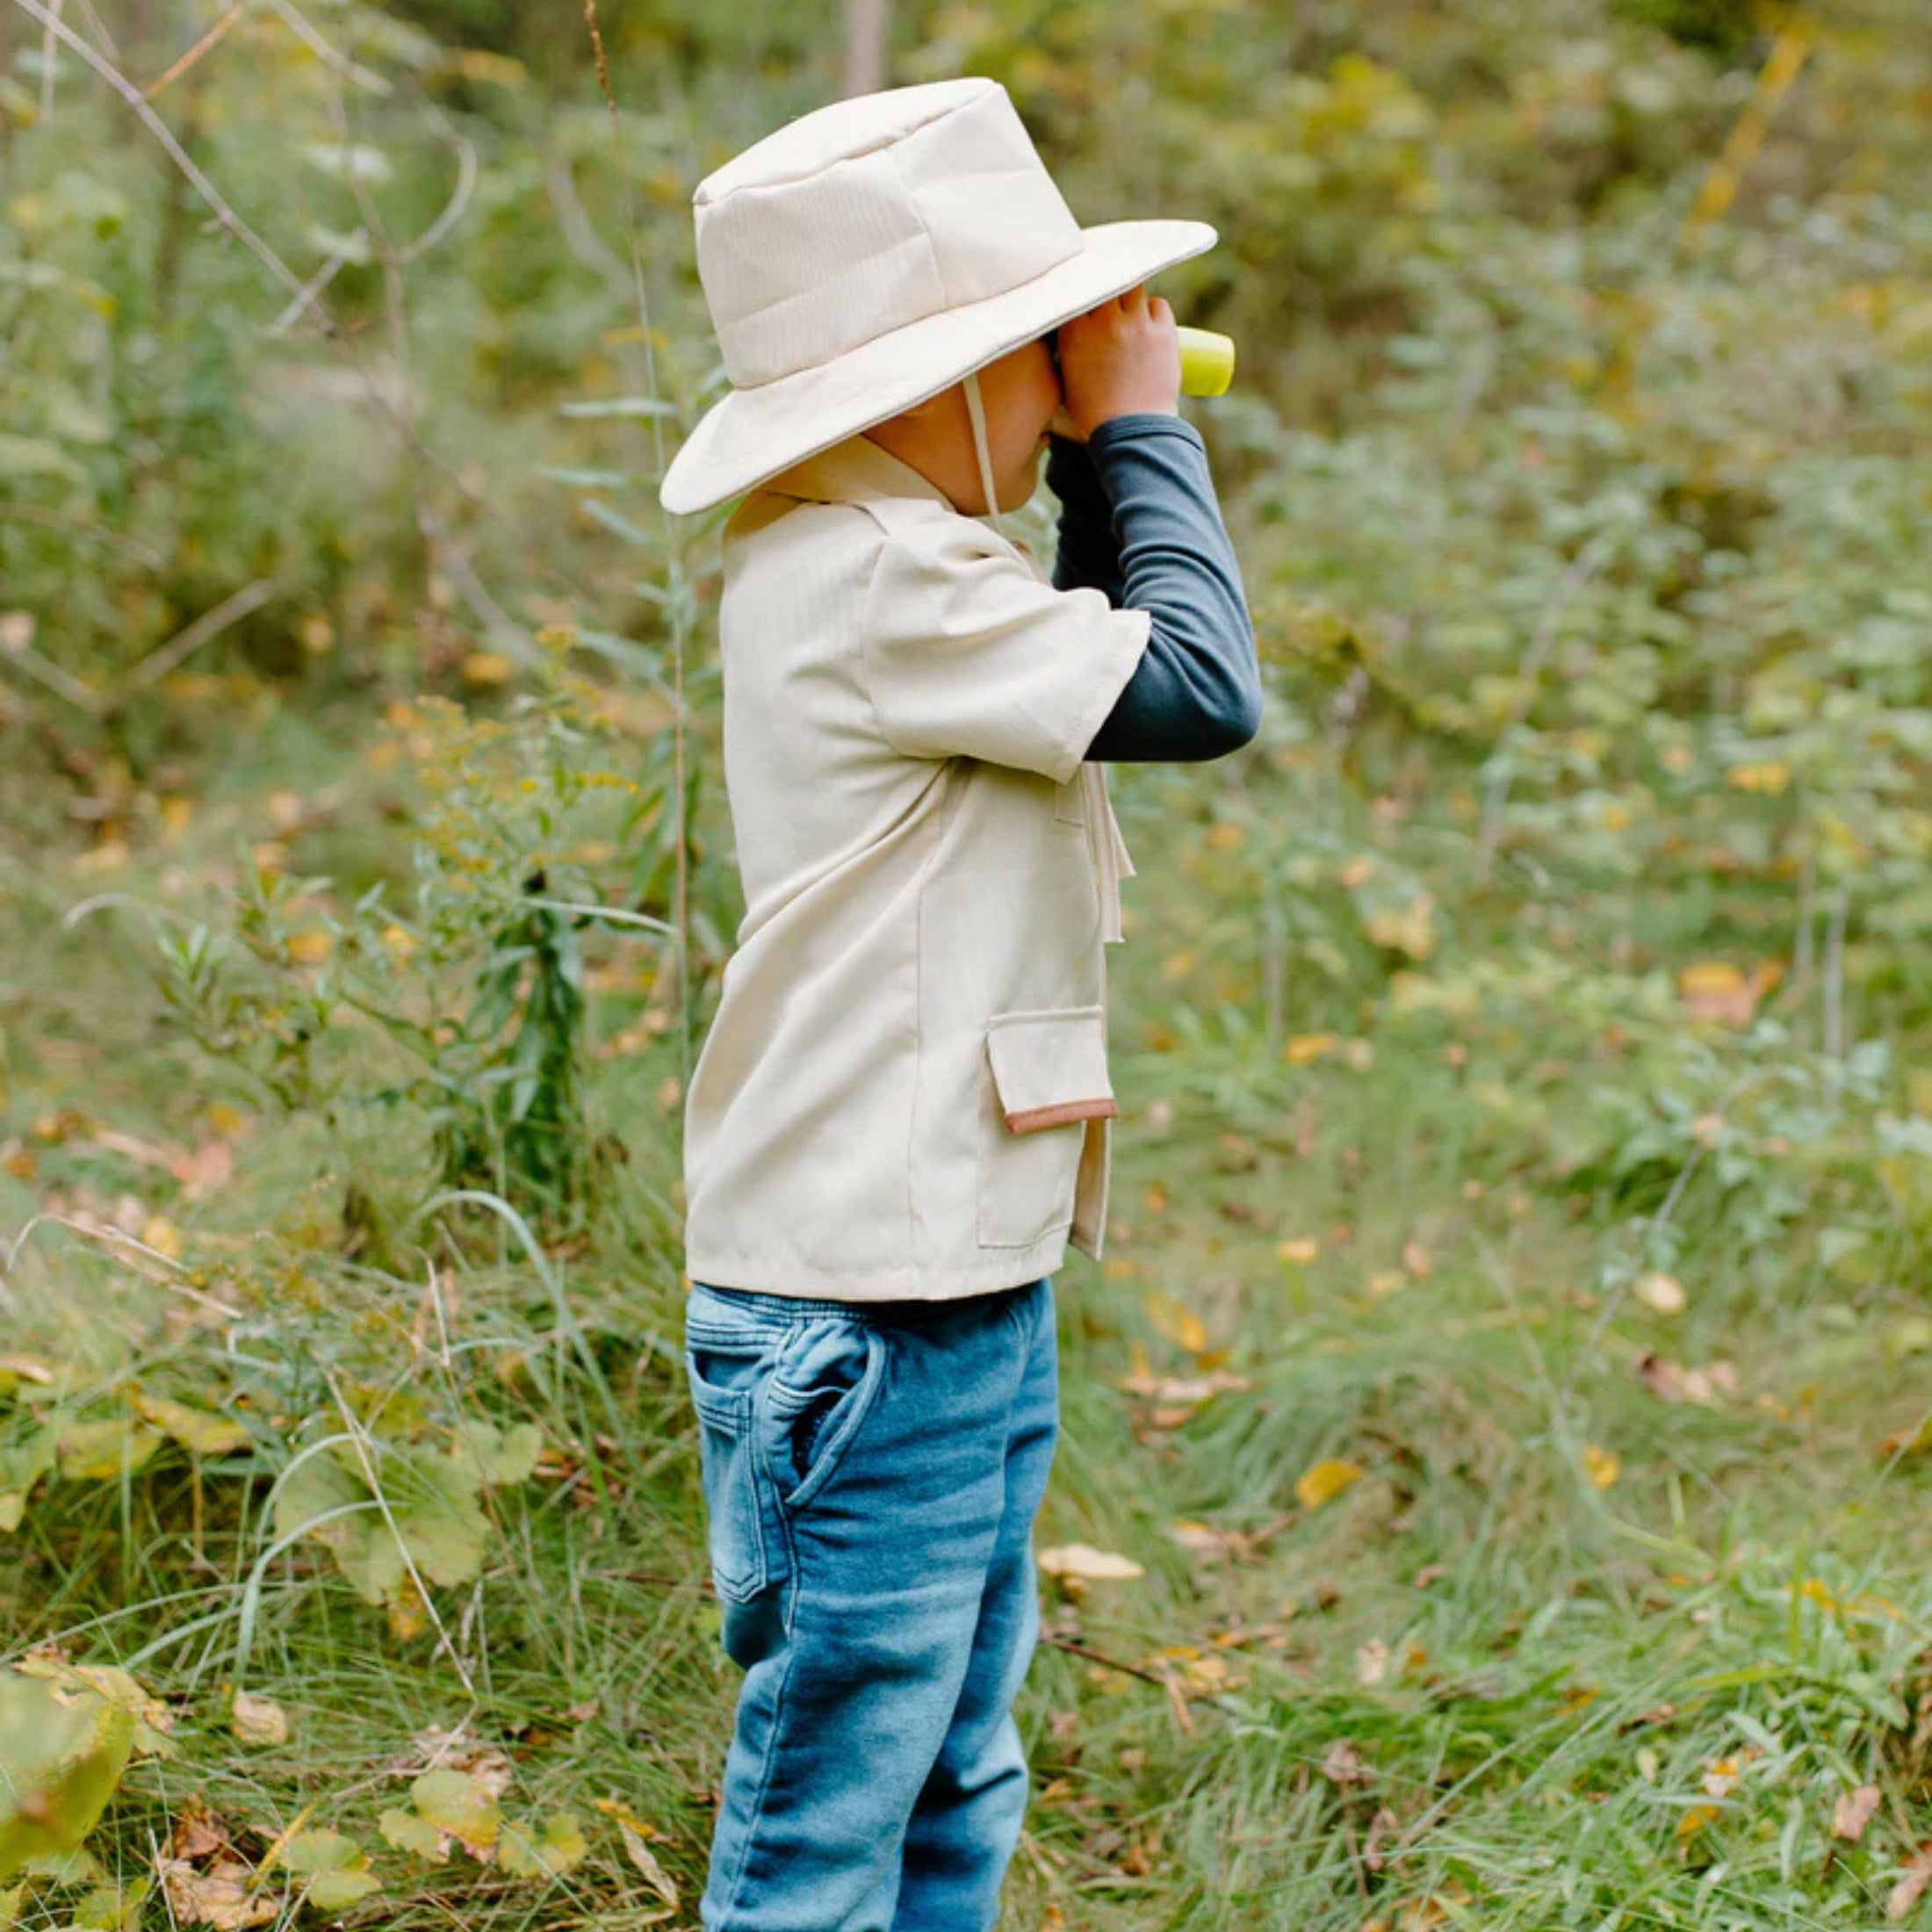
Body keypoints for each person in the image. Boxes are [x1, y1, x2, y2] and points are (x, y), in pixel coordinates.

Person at [657, 75, 1259, 1932]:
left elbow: (1109, 673)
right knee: (838, 1785)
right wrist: (1138, 437)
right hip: (859, 1302)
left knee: (948, 1759)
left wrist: (1078, 443)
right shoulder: (871, 573)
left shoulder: (900, 562)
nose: (1068, 373)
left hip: (945, 1273)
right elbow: (1196, 686)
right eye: (1037, 350)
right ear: (934, 381)